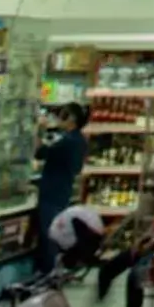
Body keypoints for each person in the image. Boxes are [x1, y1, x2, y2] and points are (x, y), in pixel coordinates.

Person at [36, 104, 89, 270]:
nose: (59, 119)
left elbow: (40, 153)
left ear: (71, 118)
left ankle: (48, 274)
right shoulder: (80, 140)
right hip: (63, 191)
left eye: (62, 115)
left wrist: (38, 130)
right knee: (55, 232)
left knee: (49, 235)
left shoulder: (67, 141)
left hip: (51, 192)